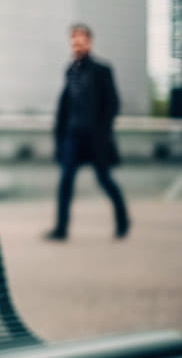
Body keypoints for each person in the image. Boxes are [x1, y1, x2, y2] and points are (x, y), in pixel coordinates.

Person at [45, 23, 130, 241]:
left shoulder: (102, 70)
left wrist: (103, 133)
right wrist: (60, 136)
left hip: (95, 139)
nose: (77, 44)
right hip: (73, 136)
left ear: (89, 42)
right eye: (74, 41)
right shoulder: (70, 70)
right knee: (65, 181)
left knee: (104, 180)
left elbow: (112, 104)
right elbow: (64, 106)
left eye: (81, 40)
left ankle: (123, 221)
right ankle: (61, 228)